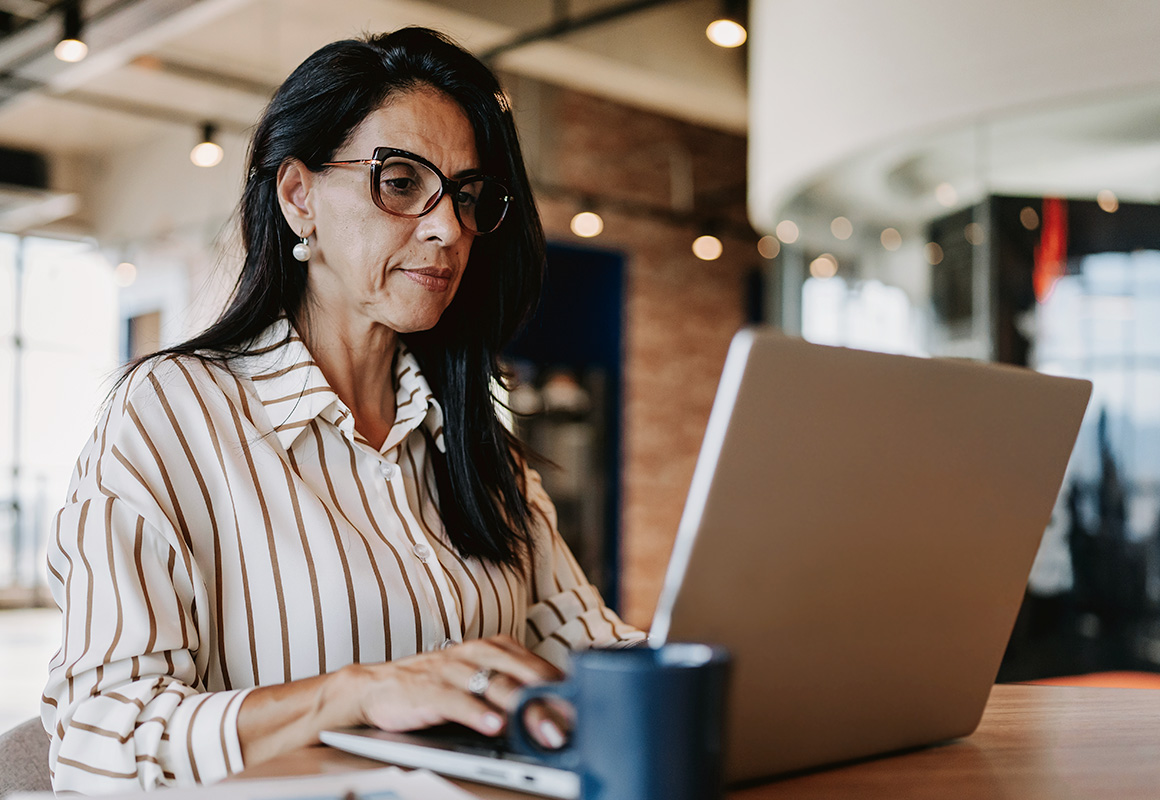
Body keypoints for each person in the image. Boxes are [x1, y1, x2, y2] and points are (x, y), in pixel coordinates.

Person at [41, 27, 641, 794]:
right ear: (300, 197)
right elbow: (98, 741)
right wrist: (356, 694)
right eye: (401, 182)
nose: (448, 227)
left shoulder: (477, 443)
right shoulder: (173, 414)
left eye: (466, 196)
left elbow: (593, 651)